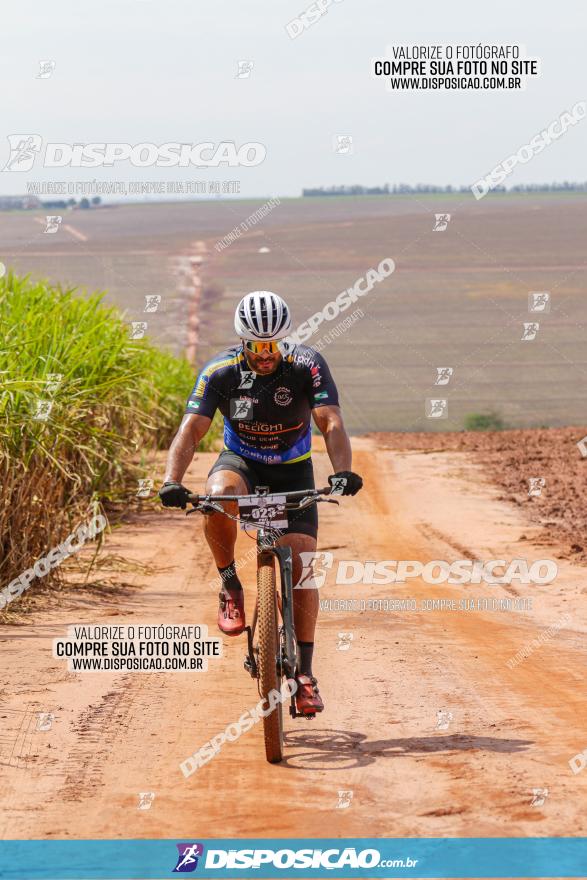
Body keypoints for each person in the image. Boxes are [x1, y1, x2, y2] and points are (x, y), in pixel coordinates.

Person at [159, 291, 363, 715]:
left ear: (285, 341)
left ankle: (305, 674)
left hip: (293, 468)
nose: (266, 355)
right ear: (243, 342)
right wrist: (171, 480)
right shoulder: (220, 372)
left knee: (303, 570)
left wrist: (342, 470)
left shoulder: (307, 365)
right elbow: (191, 430)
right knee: (216, 498)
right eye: (257, 347)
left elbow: (331, 421)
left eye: (274, 346)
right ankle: (230, 582)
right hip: (243, 463)